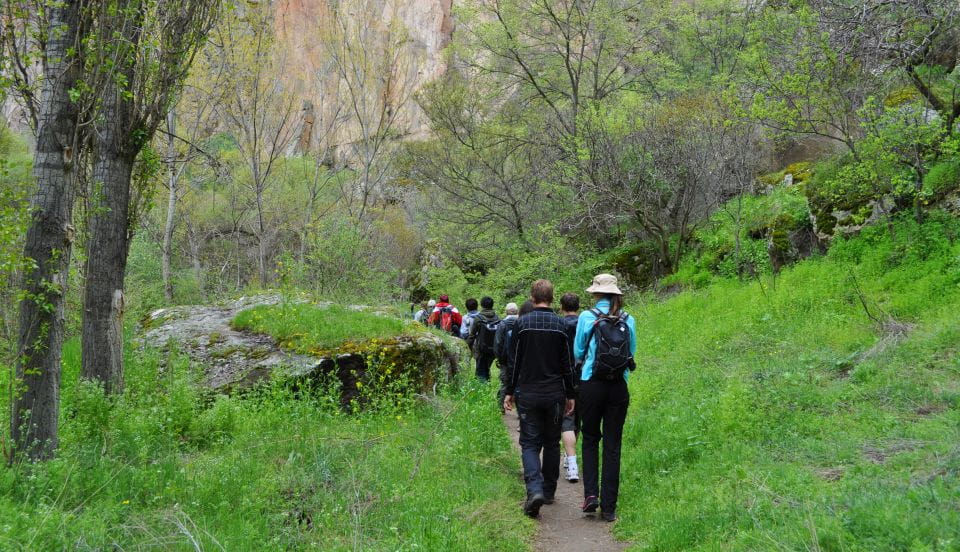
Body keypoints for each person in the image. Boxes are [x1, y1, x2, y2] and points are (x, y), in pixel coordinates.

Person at [503, 280, 576, 518]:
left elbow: (514, 363)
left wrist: (510, 391)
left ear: (532, 297)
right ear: (552, 298)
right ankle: (549, 490)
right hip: (555, 393)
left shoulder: (522, 324)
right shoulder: (560, 325)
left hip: (528, 392)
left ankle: (534, 490)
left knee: (530, 443)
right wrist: (570, 393)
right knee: (552, 441)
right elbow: (567, 363)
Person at [574, 274, 636, 523]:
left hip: (591, 384)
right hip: (618, 387)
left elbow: (578, 350)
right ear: (616, 294)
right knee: (613, 445)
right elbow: (630, 353)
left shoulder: (587, 317)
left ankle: (591, 495)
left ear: (595, 294)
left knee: (590, 438)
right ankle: (609, 507)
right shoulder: (628, 319)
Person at [559, 292, 581, 483]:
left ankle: (572, 465)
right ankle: (569, 456)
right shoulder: (586, 324)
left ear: (561, 307)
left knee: (567, 419)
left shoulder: (559, 324)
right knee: (578, 420)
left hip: (564, 378)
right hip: (585, 377)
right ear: (578, 307)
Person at [467, 296, 500, 381]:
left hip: (481, 348)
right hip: (493, 348)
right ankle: (487, 382)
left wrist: (467, 346)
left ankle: (481, 387)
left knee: (480, 370)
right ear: (492, 305)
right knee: (487, 367)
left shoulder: (479, 318)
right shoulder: (497, 318)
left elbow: (472, 335)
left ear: (481, 305)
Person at [494, 302, 520, 412]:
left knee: (504, 382)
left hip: (505, 359)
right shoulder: (522, 322)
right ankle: (520, 411)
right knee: (519, 383)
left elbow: (498, 342)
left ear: (506, 311)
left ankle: (501, 406)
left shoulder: (502, 324)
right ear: (517, 311)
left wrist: (499, 358)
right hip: (519, 359)